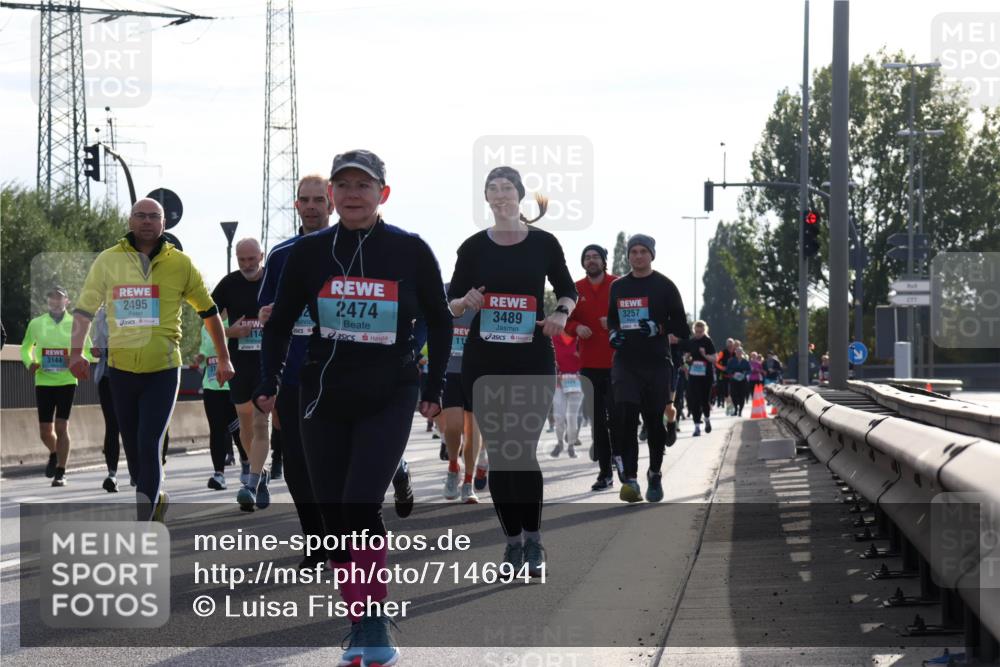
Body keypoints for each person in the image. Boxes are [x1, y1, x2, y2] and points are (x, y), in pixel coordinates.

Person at [256, 150, 449, 666]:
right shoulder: (309, 252)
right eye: (344, 185)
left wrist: (434, 387)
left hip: (391, 390)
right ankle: (357, 619)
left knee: (361, 502)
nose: (352, 193)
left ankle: (373, 622)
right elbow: (277, 322)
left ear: (383, 193)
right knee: (334, 513)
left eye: (364, 185)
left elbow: (441, 318)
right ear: (333, 195)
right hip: (323, 392)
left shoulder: (410, 250)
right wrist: (268, 379)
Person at [448, 165, 577, 577]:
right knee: (501, 456)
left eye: (507, 188)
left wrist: (560, 313)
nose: (500, 194)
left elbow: (568, 289)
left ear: (519, 195)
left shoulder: (543, 244)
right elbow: (451, 301)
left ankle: (535, 542)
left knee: (521, 451)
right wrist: (464, 301)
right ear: (486, 198)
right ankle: (512, 545)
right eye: (492, 189)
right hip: (484, 362)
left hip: (532, 360)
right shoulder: (472, 247)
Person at [70, 197, 234, 522]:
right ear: (130, 221)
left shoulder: (181, 264)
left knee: (149, 443)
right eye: (140, 216)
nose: (146, 221)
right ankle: (154, 495)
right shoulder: (108, 261)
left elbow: (209, 311)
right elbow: (85, 308)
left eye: (153, 217)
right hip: (121, 370)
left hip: (163, 370)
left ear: (164, 223)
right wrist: (77, 352)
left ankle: (143, 523)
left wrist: (225, 358)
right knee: (133, 449)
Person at [257, 173, 336, 568]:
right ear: (296, 205)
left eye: (318, 199)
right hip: (294, 374)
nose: (310, 206)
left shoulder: (349, 249)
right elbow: (266, 311)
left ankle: (341, 536)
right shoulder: (281, 254)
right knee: (299, 463)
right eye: (304, 199)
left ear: (331, 203)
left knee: (339, 460)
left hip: (340, 372)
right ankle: (316, 542)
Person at [607, 234, 689, 503]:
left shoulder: (665, 286)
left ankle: (654, 473)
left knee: (655, 423)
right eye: (634, 252)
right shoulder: (618, 287)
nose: (638, 256)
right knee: (626, 418)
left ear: (652, 255)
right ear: (628, 256)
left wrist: (659, 328)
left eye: (643, 251)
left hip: (656, 363)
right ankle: (630, 479)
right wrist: (613, 335)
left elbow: (682, 328)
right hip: (626, 363)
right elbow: (612, 322)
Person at [211, 237, 271, 511]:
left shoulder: (274, 280)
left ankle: (253, 480)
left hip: (267, 363)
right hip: (239, 364)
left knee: (260, 423)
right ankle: (260, 470)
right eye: (241, 260)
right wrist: (231, 332)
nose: (247, 265)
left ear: (261, 255)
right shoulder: (228, 284)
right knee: (245, 425)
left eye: (252, 259)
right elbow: (208, 322)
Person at [21, 286, 91, 486]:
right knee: (45, 431)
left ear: (66, 301)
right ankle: (54, 452)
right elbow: (26, 347)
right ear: (48, 302)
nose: (55, 301)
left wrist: (80, 358)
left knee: (61, 426)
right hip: (43, 380)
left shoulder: (76, 324)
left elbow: (86, 348)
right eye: (52, 298)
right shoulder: (36, 323)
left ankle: (61, 471)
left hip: (67, 380)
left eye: (59, 298)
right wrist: (29, 362)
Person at [564, 244, 619, 491]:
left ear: (604, 261)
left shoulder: (619, 285)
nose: (591, 260)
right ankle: (605, 473)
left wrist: (614, 323)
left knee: (618, 419)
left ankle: (624, 463)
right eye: (587, 257)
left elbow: (632, 316)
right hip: (589, 366)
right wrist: (576, 328)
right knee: (597, 421)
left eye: (596, 256)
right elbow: (565, 319)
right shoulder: (575, 289)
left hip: (618, 364)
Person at [440, 284, 481, 504]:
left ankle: (468, 482)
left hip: (477, 374)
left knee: (473, 432)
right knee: (454, 427)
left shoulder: (486, 296)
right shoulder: (446, 290)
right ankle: (453, 466)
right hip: (451, 373)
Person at [197, 318, 244, 491]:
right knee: (216, 429)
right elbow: (206, 350)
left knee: (238, 431)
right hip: (211, 384)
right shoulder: (206, 325)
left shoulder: (235, 320)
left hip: (233, 384)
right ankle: (219, 474)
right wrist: (201, 356)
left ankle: (246, 463)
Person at [91, 306, 129, 491]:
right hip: (107, 375)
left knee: (131, 425)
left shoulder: (136, 304)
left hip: (133, 373)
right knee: (112, 424)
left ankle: (138, 471)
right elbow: (96, 342)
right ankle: (112, 474)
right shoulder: (102, 313)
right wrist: (96, 350)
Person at [549, 332, 583, 459]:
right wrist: (554, 373)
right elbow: (548, 358)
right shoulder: (553, 338)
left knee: (572, 417)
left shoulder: (579, 338)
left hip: (576, 382)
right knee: (558, 416)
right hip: (558, 382)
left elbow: (587, 357)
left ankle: (571, 446)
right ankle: (559, 444)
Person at [685, 320, 716, 437]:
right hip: (693, 375)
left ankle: (707, 419)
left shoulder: (707, 341)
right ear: (694, 330)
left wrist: (704, 355)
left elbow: (714, 359)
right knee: (694, 401)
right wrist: (687, 357)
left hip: (705, 375)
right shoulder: (692, 341)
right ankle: (697, 427)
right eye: (697, 331)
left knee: (704, 400)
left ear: (704, 330)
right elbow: (687, 356)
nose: (698, 333)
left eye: (701, 331)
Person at [726, 346, 751, 417]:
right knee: (734, 395)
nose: (739, 353)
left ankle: (740, 410)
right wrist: (733, 373)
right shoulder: (731, 360)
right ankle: (736, 409)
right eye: (737, 351)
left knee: (742, 396)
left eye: (740, 351)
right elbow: (727, 369)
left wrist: (744, 373)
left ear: (742, 352)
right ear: (735, 352)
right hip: (734, 380)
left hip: (743, 381)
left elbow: (749, 370)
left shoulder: (745, 361)